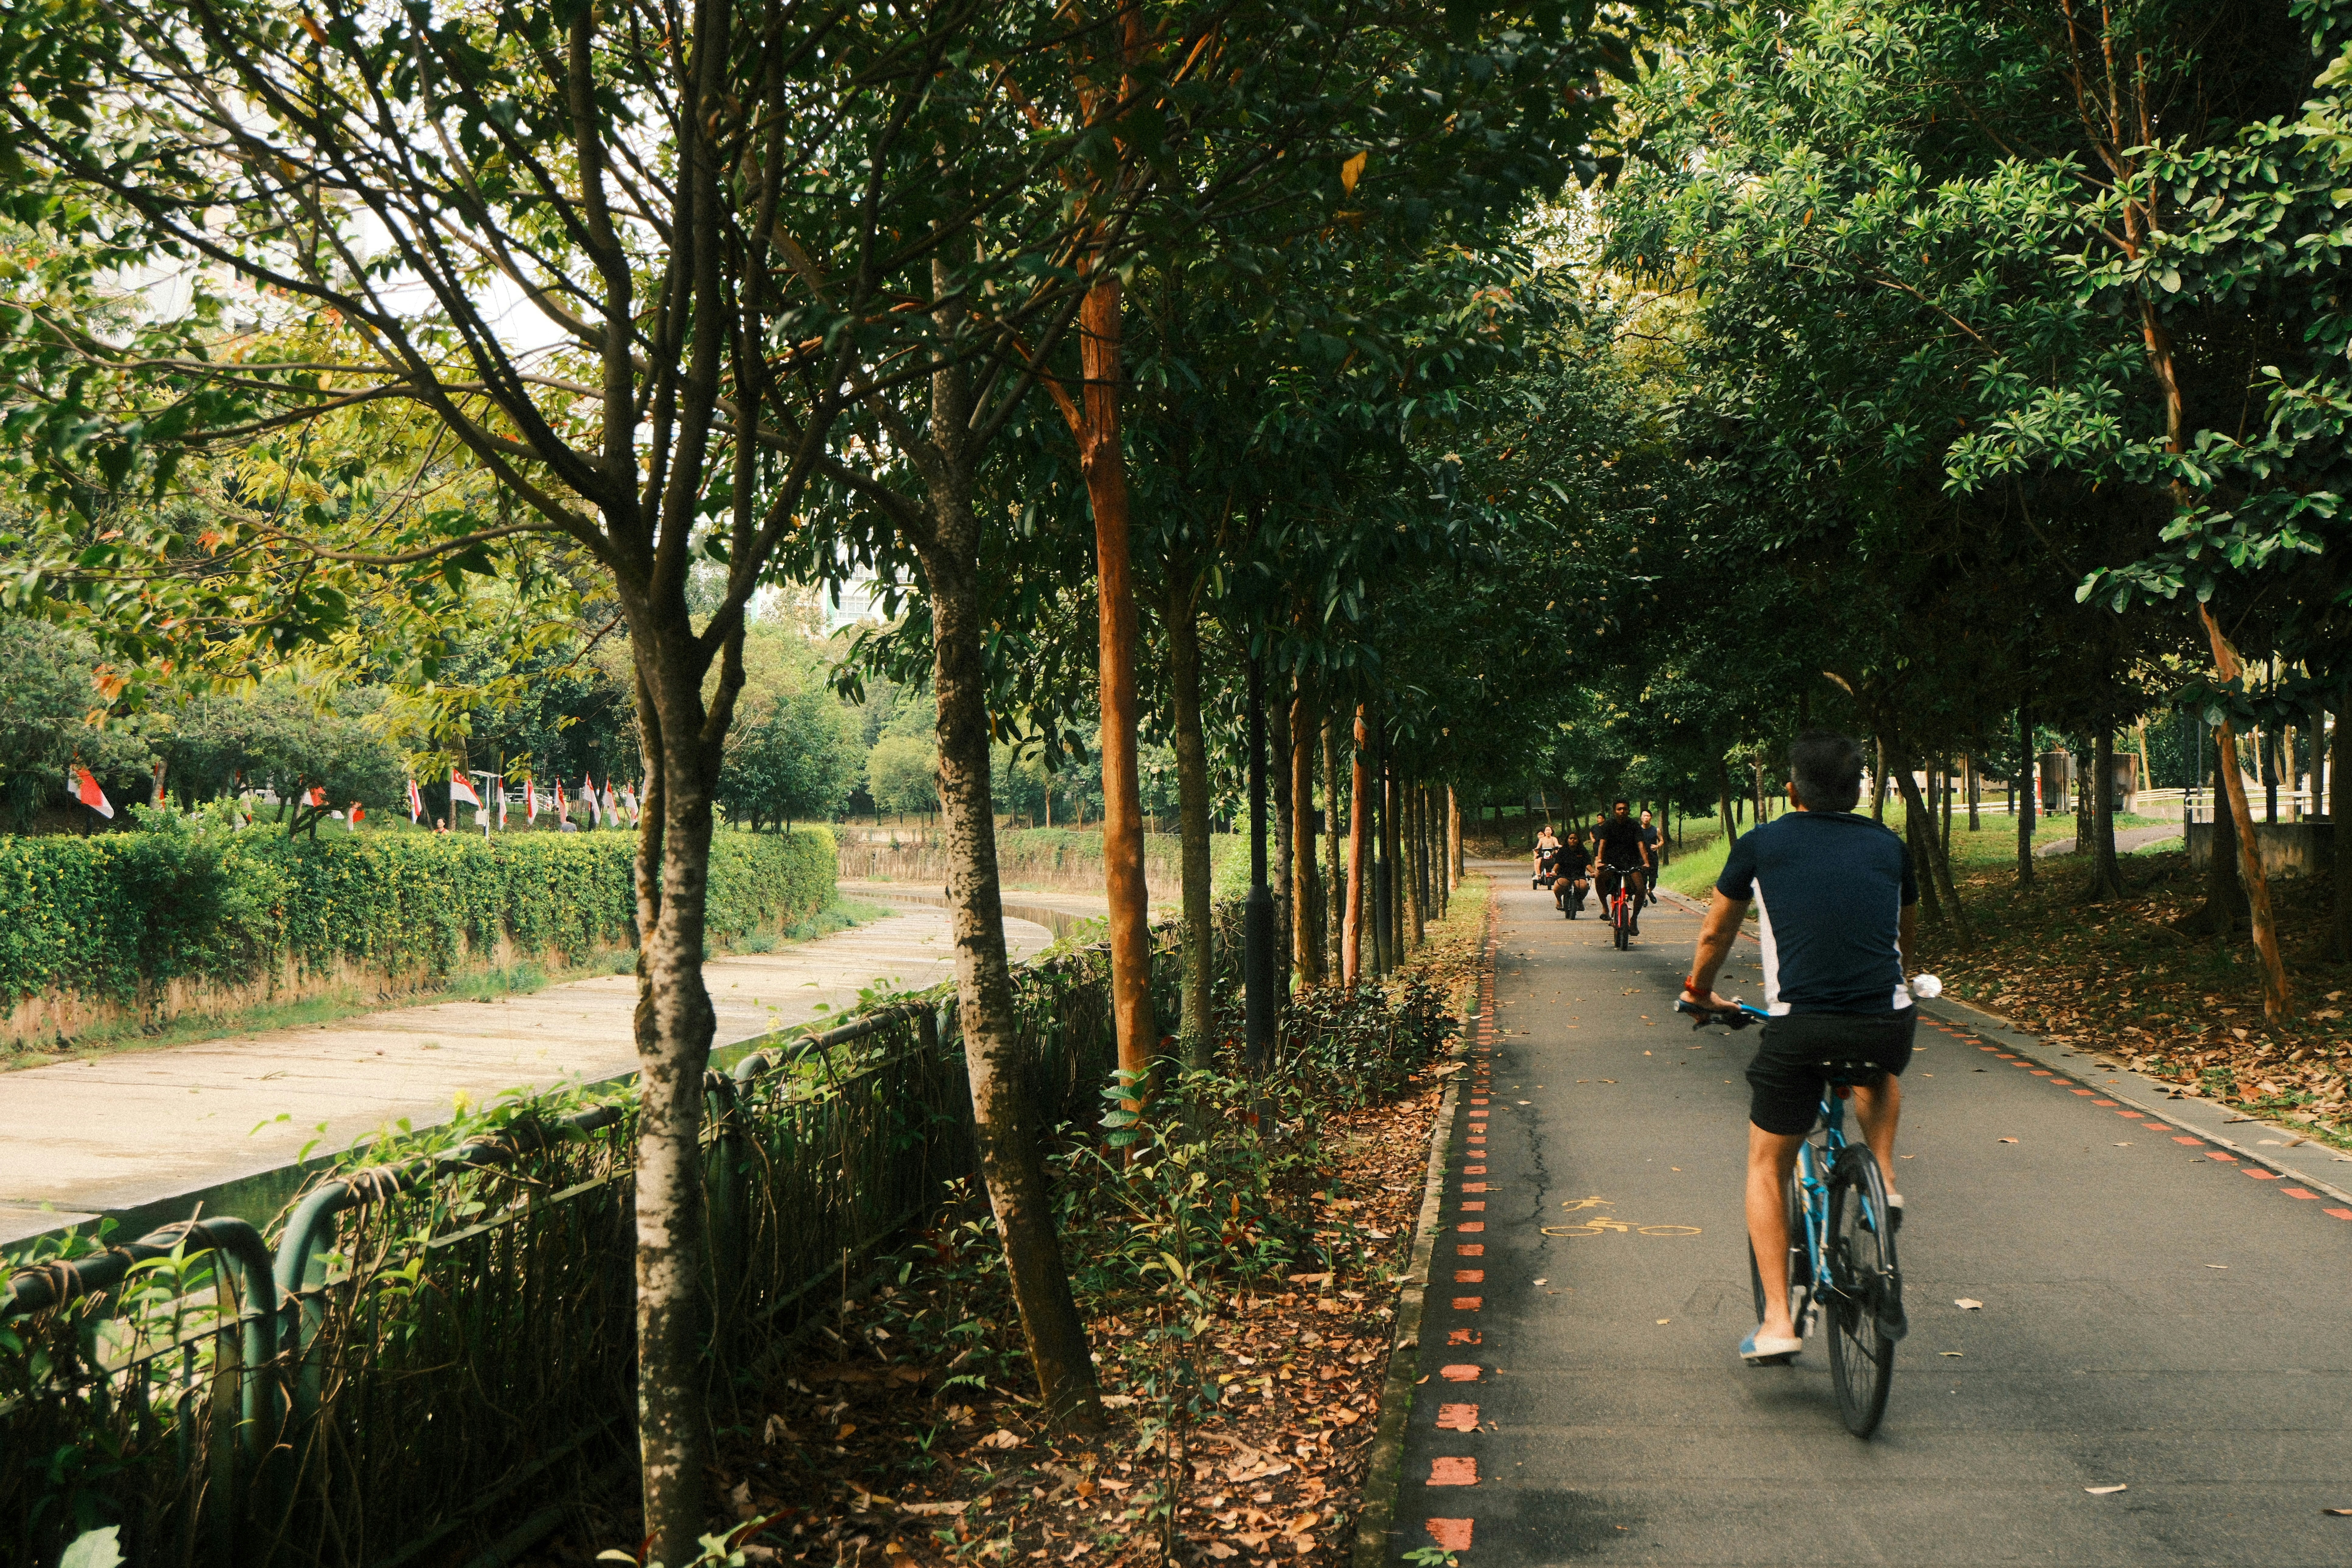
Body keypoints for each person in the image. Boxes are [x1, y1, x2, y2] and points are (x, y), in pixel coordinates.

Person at [1677, 731, 1918, 1364]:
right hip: (1884, 1020)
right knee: (1878, 1071)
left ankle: (1781, 1320)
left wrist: (1700, 992)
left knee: (1767, 1163)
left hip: (1802, 1026)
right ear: (1861, 789)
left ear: (1791, 789)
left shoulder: (1762, 844)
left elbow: (1715, 930)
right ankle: (1884, 1179)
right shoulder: (1890, 846)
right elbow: (1901, 936)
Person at [1593, 799, 1648, 935]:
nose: (1622, 812)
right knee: (1599, 878)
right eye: (1619, 809)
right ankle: (1605, 908)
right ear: (1614, 811)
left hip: (1631, 861)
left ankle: (1634, 920)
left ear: (1629, 811)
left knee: (1641, 889)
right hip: (1611, 861)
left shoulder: (1634, 825)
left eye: (1625, 809)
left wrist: (1646, 862)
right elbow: (1602, 844)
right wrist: (1599, 861)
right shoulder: (1608, 825)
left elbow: (1641, 845)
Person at [1554, 829, 1593, 916]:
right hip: (1565, 875)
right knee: (1558, 886)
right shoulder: (1563, 851)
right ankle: (1559, 901)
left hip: (1579, 875)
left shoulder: (1583, 851)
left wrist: (1593, 872)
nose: (1573, 840)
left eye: (1575, 839)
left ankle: (1580, 901)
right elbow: (1558, 864)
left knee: (1584, 887)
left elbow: (1588, 864)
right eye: (1571, 838)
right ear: (1567, 840)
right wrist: (1553, 872)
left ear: (1578, 840)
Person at [1532, 821, 1559, 888]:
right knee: (1537, 860)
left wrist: (1560, 847)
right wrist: (1536, 850)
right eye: (1547, 830)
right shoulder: (1542, 840)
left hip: (1552, 854)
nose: (1548, 831)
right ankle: (1538, 875)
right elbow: (1538, 847)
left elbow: (1557, 845)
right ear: (1545, 832)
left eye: (1549, 830)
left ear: (1552, 831)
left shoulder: (1554, 839)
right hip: (1543, 855)